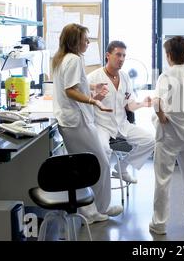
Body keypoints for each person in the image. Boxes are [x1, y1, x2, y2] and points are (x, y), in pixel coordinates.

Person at [52, 23, 123, 223]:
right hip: (77, 122)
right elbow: (70, 91)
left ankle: (91, 210)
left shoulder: (61, 58)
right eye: (85, 39)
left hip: (68, 121)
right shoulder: (74, 59)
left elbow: (73, 84)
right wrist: (94, 100)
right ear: (76, 41)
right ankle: (100, 208)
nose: (88, 43)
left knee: (83, 166)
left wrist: (91, 86)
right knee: (100, 162)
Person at [149, 36, 184, 235]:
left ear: (169, 55)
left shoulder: (166, 75)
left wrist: (161, 115)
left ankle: (159, 224)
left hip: (168, 136)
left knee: (163, 180)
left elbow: (156, 102)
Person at [87, 41, 155, 184]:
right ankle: (102, 186)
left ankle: (121, 168)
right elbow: (84, 104)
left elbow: (129, 106)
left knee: (150, 140)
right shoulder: (93, 78)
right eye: (118, 55)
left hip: (122, 124)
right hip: (102, 125)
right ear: (108, 55)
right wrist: (97, 97)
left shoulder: (125, 77)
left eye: (124, 55)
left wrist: (143, 104)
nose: (122, 59)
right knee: (104, 149)